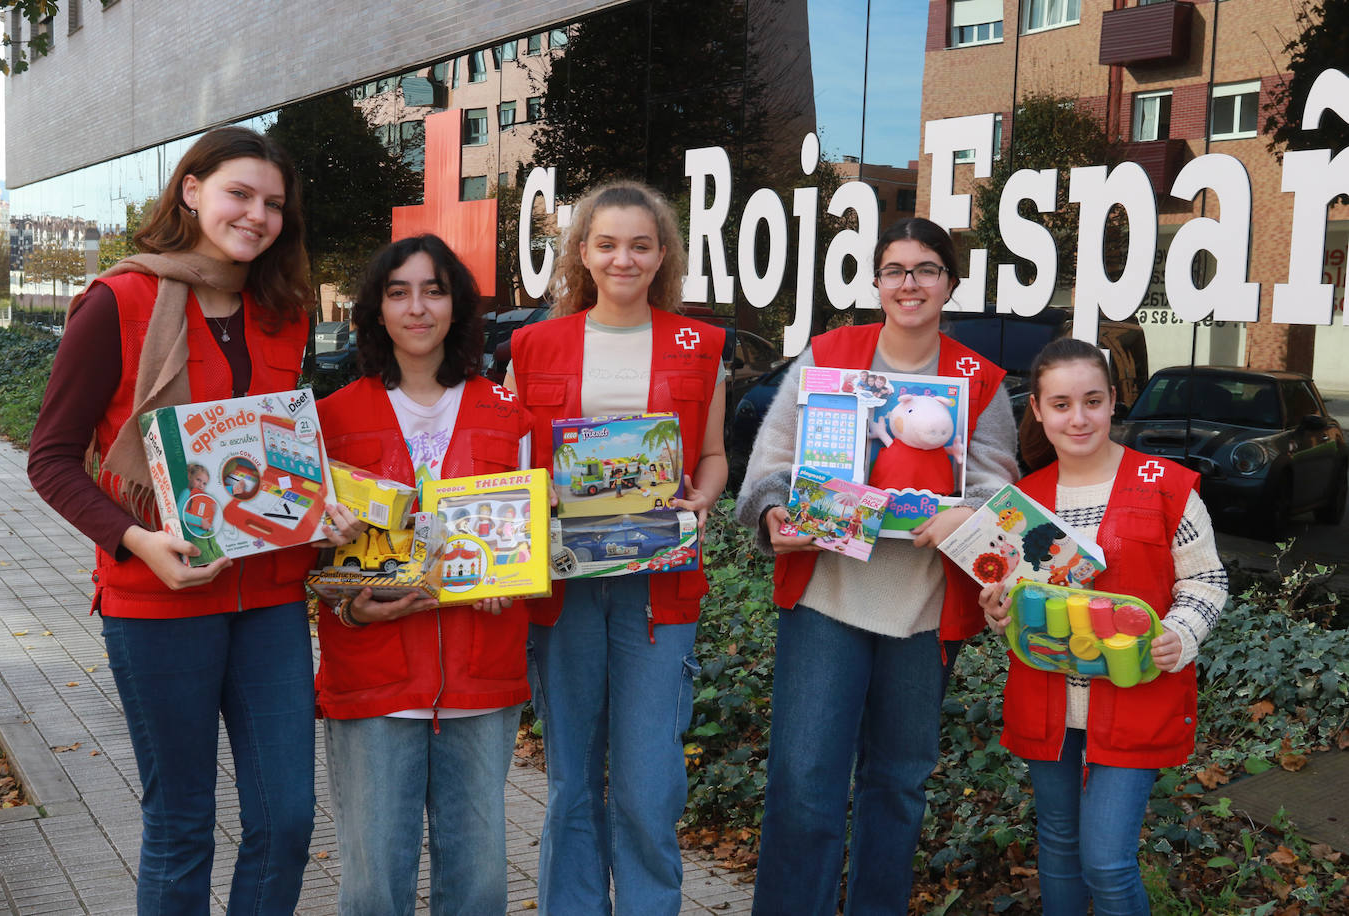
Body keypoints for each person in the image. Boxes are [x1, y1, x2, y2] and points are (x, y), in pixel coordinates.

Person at [26, 126, 361, 914]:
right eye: (240, 193)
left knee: (286, 822)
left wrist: (321, 508)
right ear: (191, 190)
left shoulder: (283, 310)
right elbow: (51, 459)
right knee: (182, 827)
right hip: (158, 601)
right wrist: (139, 540)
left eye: (274, 204)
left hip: (269, 601)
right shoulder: (118, 301)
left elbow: (276, 456)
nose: (257, 215)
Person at [735, 216, 1019, 913]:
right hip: (829, 601)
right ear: (876, 283)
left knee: (897, 786)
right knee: (804, 783)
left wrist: (967, 517)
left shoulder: (977, 381)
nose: (910, 284)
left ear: (950, 282)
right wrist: (776, 516)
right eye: (895, 270)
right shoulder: (831, 355)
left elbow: (998, 497)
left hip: (920, 615)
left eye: (926, 269)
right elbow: (771, 461)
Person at [507, 180, 727, 914]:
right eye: (607, 244)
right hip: (564, 585)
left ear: (662, 254)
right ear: (582, 253)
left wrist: (703, 495)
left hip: (658, 590)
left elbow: (716, 456)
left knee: (647, 780)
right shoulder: (534, 343)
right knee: (572, 778)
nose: (623, 259)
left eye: (640, 244)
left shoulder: (701, 345)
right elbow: (509, 463)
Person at [314, 234, 534, 916]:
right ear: (376, 310)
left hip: (481, 677)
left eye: (434, 290)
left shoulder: (508, 415)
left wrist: (511, 578)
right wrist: (351, 611)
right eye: (399, 291)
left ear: (457, 307)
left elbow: (528, 540)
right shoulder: (329, 420)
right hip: (374, 676)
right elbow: (313, 562)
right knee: (374, 883)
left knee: (477, 884)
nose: (417, 308)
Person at [980, 338, 1227, 915]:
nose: (1079, 417)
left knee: (1108, 862)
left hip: (1135, 694)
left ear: (1114, 401)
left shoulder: (1167, 487)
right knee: (1060, 852)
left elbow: (1206, 581)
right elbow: (1016, 608)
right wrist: (998, 614)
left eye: (1092, 400)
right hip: (1048, 703)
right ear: (1038, 410)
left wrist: (1181, 633)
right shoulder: (1019, 505)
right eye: (1061, 404)